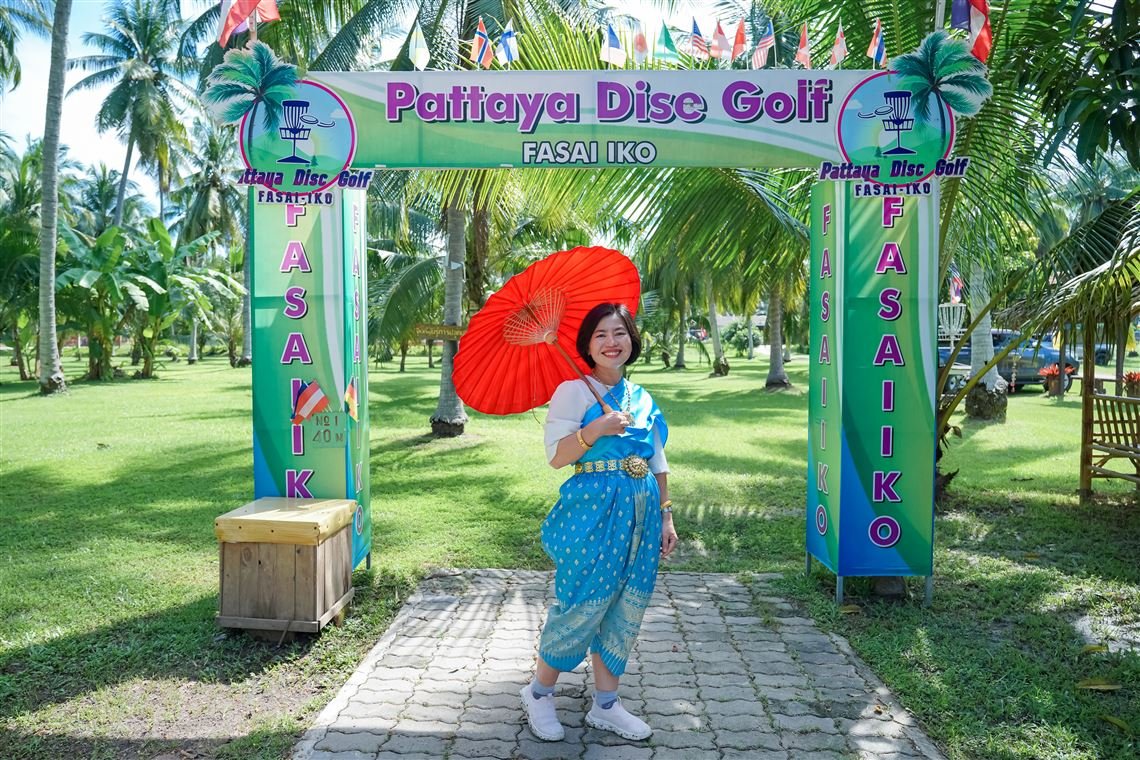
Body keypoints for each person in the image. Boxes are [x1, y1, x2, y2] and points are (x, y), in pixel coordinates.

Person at [519, 302, 678, 742]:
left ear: (632, 340)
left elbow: (657, 459)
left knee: (627, 601)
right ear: (587, 346)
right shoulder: (573, 391)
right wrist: (596, 430)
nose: (612, 342)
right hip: (591, 511)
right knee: (582, 599)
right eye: (601, 335)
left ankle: (606, 704)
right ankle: (539, 693)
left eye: (620, 333)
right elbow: (557, 457)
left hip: (642, 512)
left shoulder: (642, 397)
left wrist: (666, 514)